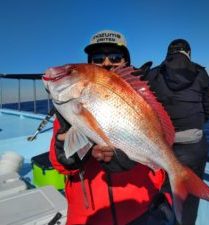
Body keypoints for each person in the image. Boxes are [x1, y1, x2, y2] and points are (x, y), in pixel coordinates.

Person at [49, 30, 175, 225]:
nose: (107, 63)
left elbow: (158, 162)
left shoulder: (140, 97)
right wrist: (67, 154)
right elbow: (60, 165)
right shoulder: (70, 106)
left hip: (141, 207)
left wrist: (138, 159)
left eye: (116, 57)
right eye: (98, 58)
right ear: (89, 64)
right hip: (90, 217)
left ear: (126, 61)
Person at [144, 39, 209, 225]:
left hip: (161, 144)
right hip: (194, 146)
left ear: (168, 53)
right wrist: (197, 123)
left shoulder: (153, 74)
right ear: (188, 53)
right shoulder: (199, 72)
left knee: (162, 189)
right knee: (190, 196)